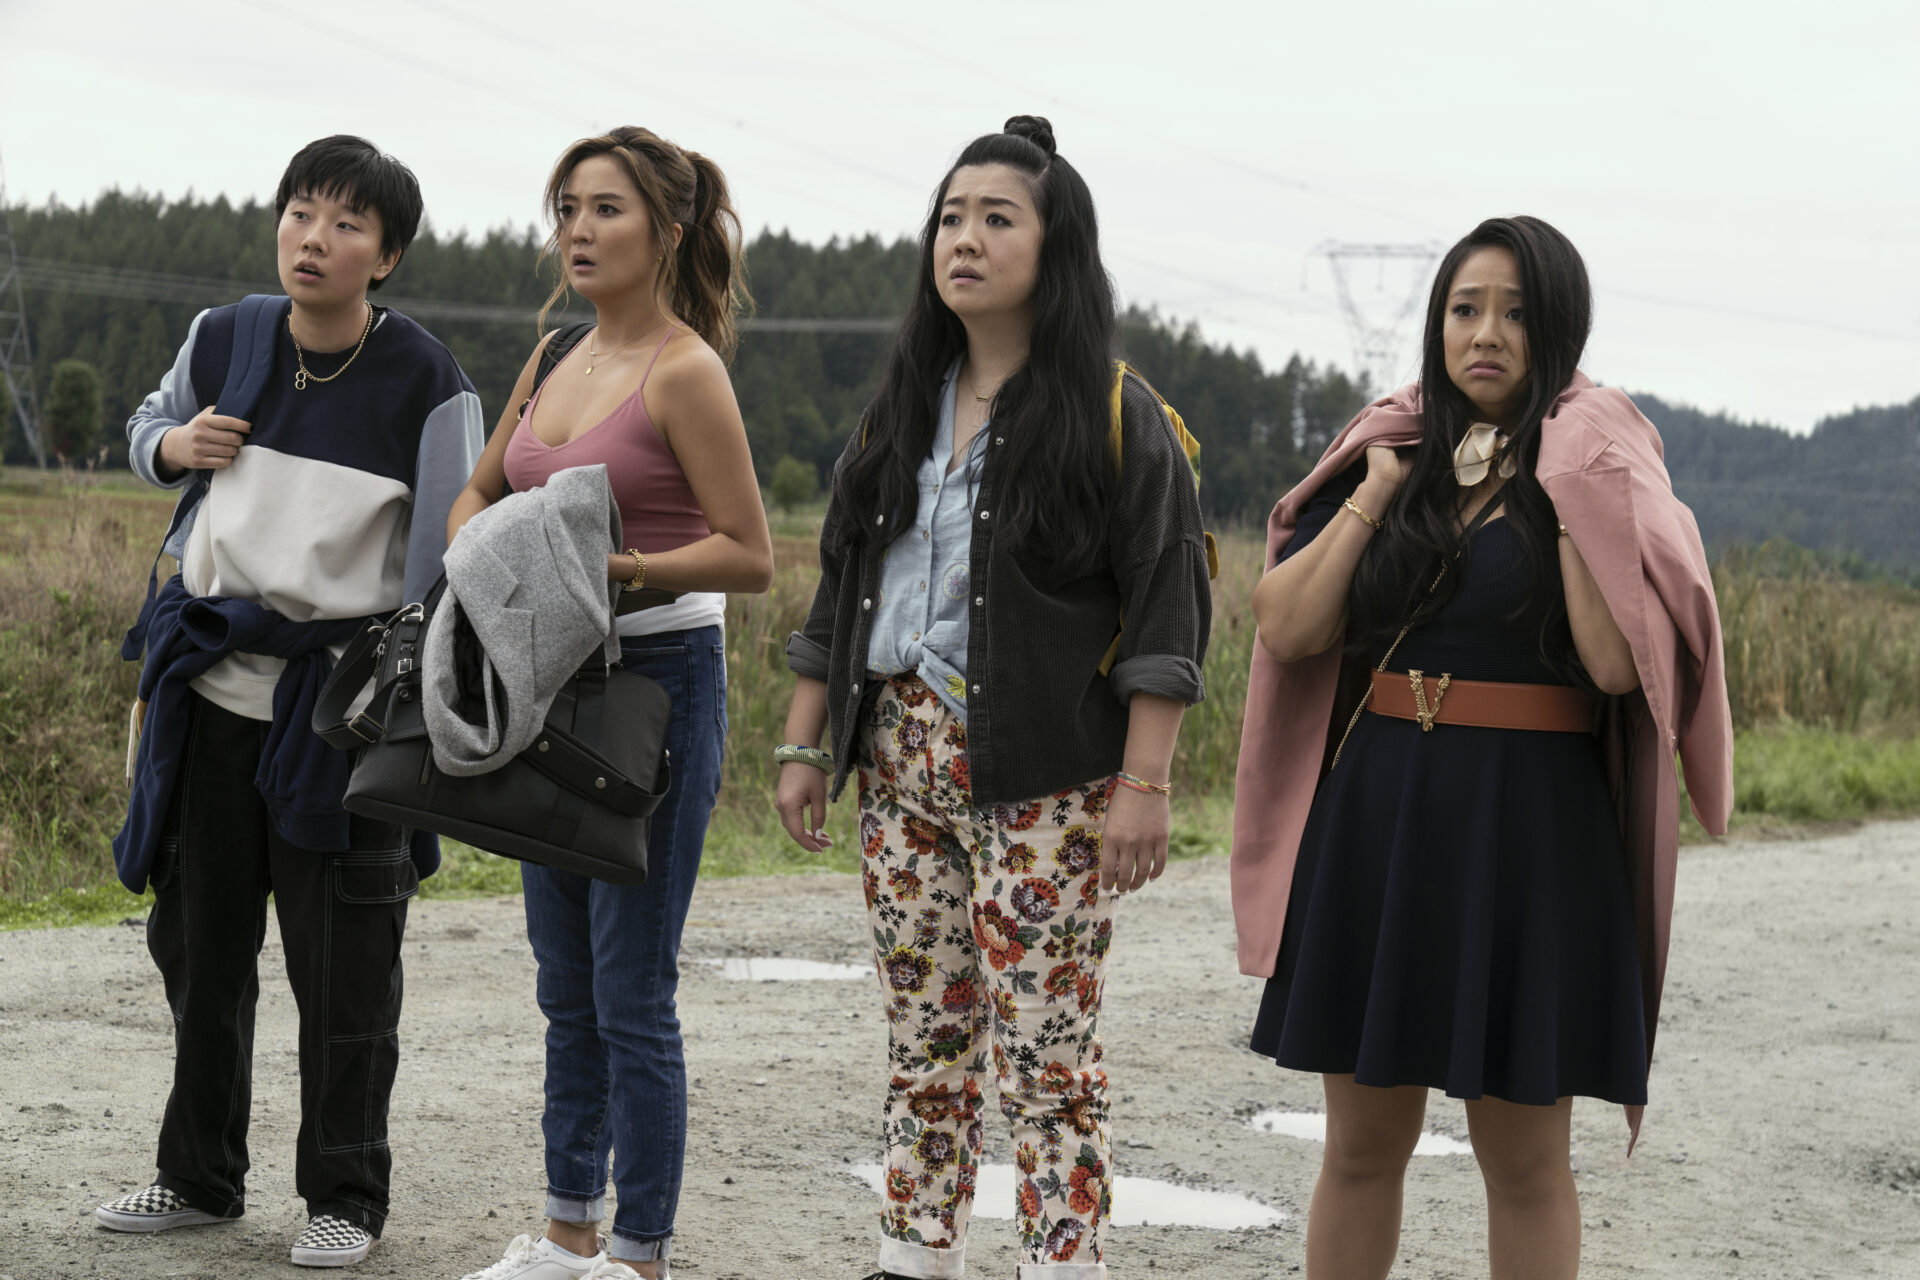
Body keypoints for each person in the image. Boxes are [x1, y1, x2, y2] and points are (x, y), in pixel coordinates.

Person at [1233, 215, 1733, 1279]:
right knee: (1359, 1147)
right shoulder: (1393, 452)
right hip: (1382, 817)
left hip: (1530, 831)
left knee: (1525, 1161)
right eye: (1466, 309)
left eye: (1516, 312)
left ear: (1559, 329)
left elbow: (1614, 665)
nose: (1487, 333)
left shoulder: (1597, 460)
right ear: (1439, 324)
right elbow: (1287, 625)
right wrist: (1374, 494)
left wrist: (1572, 494)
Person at [776, 115, 1213, 1280]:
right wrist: (806, 744)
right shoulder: (900, 406)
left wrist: (1145, 782)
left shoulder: (1114, 413)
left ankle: (1062, 1262)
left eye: (996, 218)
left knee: (1044, 1052)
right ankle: (913, 1257)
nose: (962, 238)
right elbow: (841, 585)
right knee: (924, 1037)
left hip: (1046, 781)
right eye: (950, 217)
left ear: (1054, 246)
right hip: (900, 765)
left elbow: (1167, 610)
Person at [97, 135, 484, 1268]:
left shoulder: (428, 382)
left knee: (346, 967)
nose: (314, 238)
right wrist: (174, 444)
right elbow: (145, 430)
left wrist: (409, 707)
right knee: (198, 948)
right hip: (211, 692)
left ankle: (346, 1196)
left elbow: (445, 566)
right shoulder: (226, 336)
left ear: (387, 256)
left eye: (346, 224)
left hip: (339, 712)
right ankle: (198, 1176)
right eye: (301, 212)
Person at [448, 126, 773, 1280]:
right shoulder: (551, 358)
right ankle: (566, 1231)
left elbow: (751, 553)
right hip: (547, 678)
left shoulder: (685, 371)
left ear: (666, 232)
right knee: (565, 984)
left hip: (657, 685)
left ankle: (637, 1256)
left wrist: (617, 569)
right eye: (568, 209)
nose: (579, 231)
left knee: (633, 987)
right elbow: (477, 491)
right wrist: (490, 559)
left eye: (606, 209)